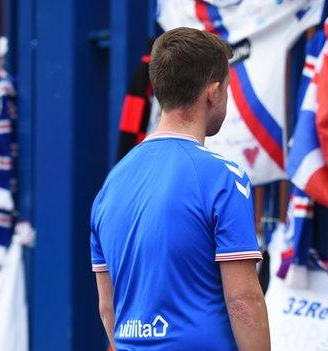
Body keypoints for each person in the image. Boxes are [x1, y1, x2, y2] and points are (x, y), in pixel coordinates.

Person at [90, 27, 270, 350]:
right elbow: (243, 300)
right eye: (227, 90)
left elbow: (107, 307)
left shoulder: (110, 186)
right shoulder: (224, 178)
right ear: (213, 94)